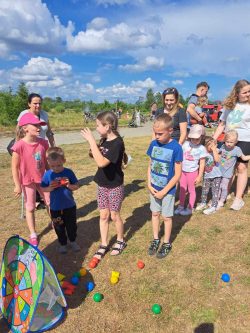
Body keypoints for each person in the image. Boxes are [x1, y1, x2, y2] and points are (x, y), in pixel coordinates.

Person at [81, 111, 127, 260]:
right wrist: (94, 149)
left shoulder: (118, 143)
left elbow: (101, 162)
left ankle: (120, 240)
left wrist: (91, 141)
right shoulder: (104, 139)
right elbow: (98, 157)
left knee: (114, 215)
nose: (96, 128)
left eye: (98, 125)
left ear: (107, 126)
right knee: (103, 215)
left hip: (114, 185)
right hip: (102, 184)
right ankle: (104, 243)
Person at [147, 113, 183, 258]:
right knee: (155, 213)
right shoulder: (153, 144)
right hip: (153, 187)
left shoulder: (176, 148)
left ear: (170, 131)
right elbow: (150, 165)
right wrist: (148, 183)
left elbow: (177, 174)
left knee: (166, 217)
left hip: (167, 191)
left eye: (160, 133)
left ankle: (166, 242)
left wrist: (165, 191)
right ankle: (156, 239)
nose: (156, 136)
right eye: (155, 133)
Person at [11, 113, 50, 246]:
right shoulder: (19, 146)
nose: (39, 127)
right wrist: (17, 185)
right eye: (35, 125)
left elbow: (47, 162)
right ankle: (33, 233)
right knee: (30, 207)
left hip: (43, 179)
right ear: (25, 128)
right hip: (27, 181)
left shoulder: (43, 143)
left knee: (50, 203)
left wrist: (52, 175)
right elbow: (14, 168)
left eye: (40, 125)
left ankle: (55, 223)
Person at [213, 79, 250, 210]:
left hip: (245, 140)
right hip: (229, 140)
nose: (248, 94)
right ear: (237, 93)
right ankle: (224, 192)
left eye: (249, 91)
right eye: (245, 92)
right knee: (226, 166)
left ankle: (238, 198)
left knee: (241, 167)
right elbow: (222, 124)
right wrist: (213, 139)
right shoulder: (229, 106)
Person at [17, 93, 55, 210]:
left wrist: (53, 146)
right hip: (27, 148)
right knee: (29, 173)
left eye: (39, 103)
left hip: (41, 147)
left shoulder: (44, 115)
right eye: (35, 103)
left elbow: (49, 131)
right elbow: (18, 132)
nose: (38, 105)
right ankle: (34, 201)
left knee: (40, 171)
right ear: (29, 104)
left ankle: (42, 198)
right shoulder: (24, 114)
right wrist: (20, 148)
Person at [41, 147, 80, 254]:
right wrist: (50, 188)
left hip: (69, 205)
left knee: (71, 225)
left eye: (59, 165)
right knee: (59, 226)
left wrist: (69, 185)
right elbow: (43, 188)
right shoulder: (48, 174)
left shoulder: (68, 172)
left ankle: (72, 241)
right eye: (53, 166)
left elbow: (77, 185)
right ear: (48, 162)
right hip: (55, 207)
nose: (56, 168)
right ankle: (62, 243)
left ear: (63, 160)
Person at [175, 125, 206, 216]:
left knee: (192, 190)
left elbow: (202, 163)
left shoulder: (202, 149)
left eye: (197, 139)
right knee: (182, 189)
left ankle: (190, 208)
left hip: (193, 172)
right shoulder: (185, 144)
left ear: (202, 137)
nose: (194, 141)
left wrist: (200, 176)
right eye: (193, 138)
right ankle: (181, 206)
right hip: (183, 171)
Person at [217, 130, 250, 209]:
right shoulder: (223, 146)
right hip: (219, 171)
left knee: (224, 187)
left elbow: (244, 158)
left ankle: (221, 200)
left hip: (227, 173)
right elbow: (218, 153)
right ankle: (216, 199)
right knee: (218, 186)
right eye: (227, 141)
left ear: (236, 142)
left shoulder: (237, 149)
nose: (228, 144)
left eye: (231, 142)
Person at [196, 136, 222, 215]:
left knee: (215, 191)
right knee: (204, 190)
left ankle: (214, 206)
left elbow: (217, 160)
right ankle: (203, 203)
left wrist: (214, 150)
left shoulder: (217, 151)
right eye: (210, 144)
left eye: (213, 144)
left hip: (216, 175)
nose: (212, 146)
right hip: (207, 175)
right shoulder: (203, 153)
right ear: (204, 146)